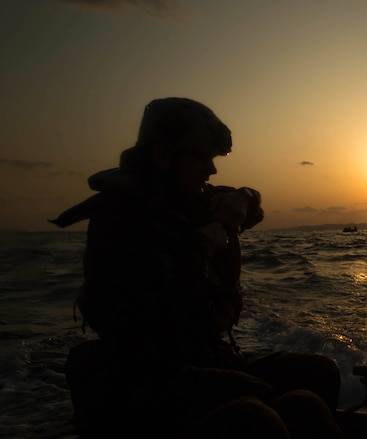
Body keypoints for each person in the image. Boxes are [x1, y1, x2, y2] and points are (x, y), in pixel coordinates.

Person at [50, 97, 344, 439]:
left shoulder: (191, 198)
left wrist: (244, 197)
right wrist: (201, 246)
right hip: (143, 373)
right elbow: (159, 316)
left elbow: (253, 208)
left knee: (318, 375)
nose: (212, 170)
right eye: (203, 158)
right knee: (257, 409)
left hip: (201, 356)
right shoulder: (120, 222)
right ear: (163, 155)